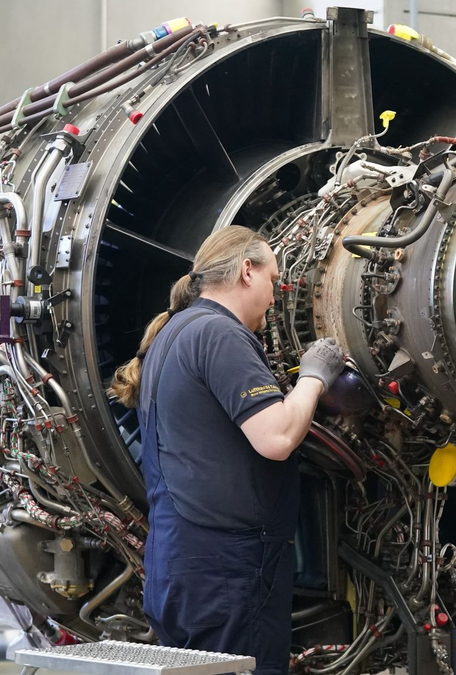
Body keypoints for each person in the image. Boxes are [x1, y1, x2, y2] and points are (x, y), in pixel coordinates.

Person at [108, 225, 344, 675]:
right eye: (273, 280)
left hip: (180, 564)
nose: (275, 297)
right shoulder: (220, 334)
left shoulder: (176, 331)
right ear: (246, 271)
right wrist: (314, 375)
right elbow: (276, 437)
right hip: (226, 574)